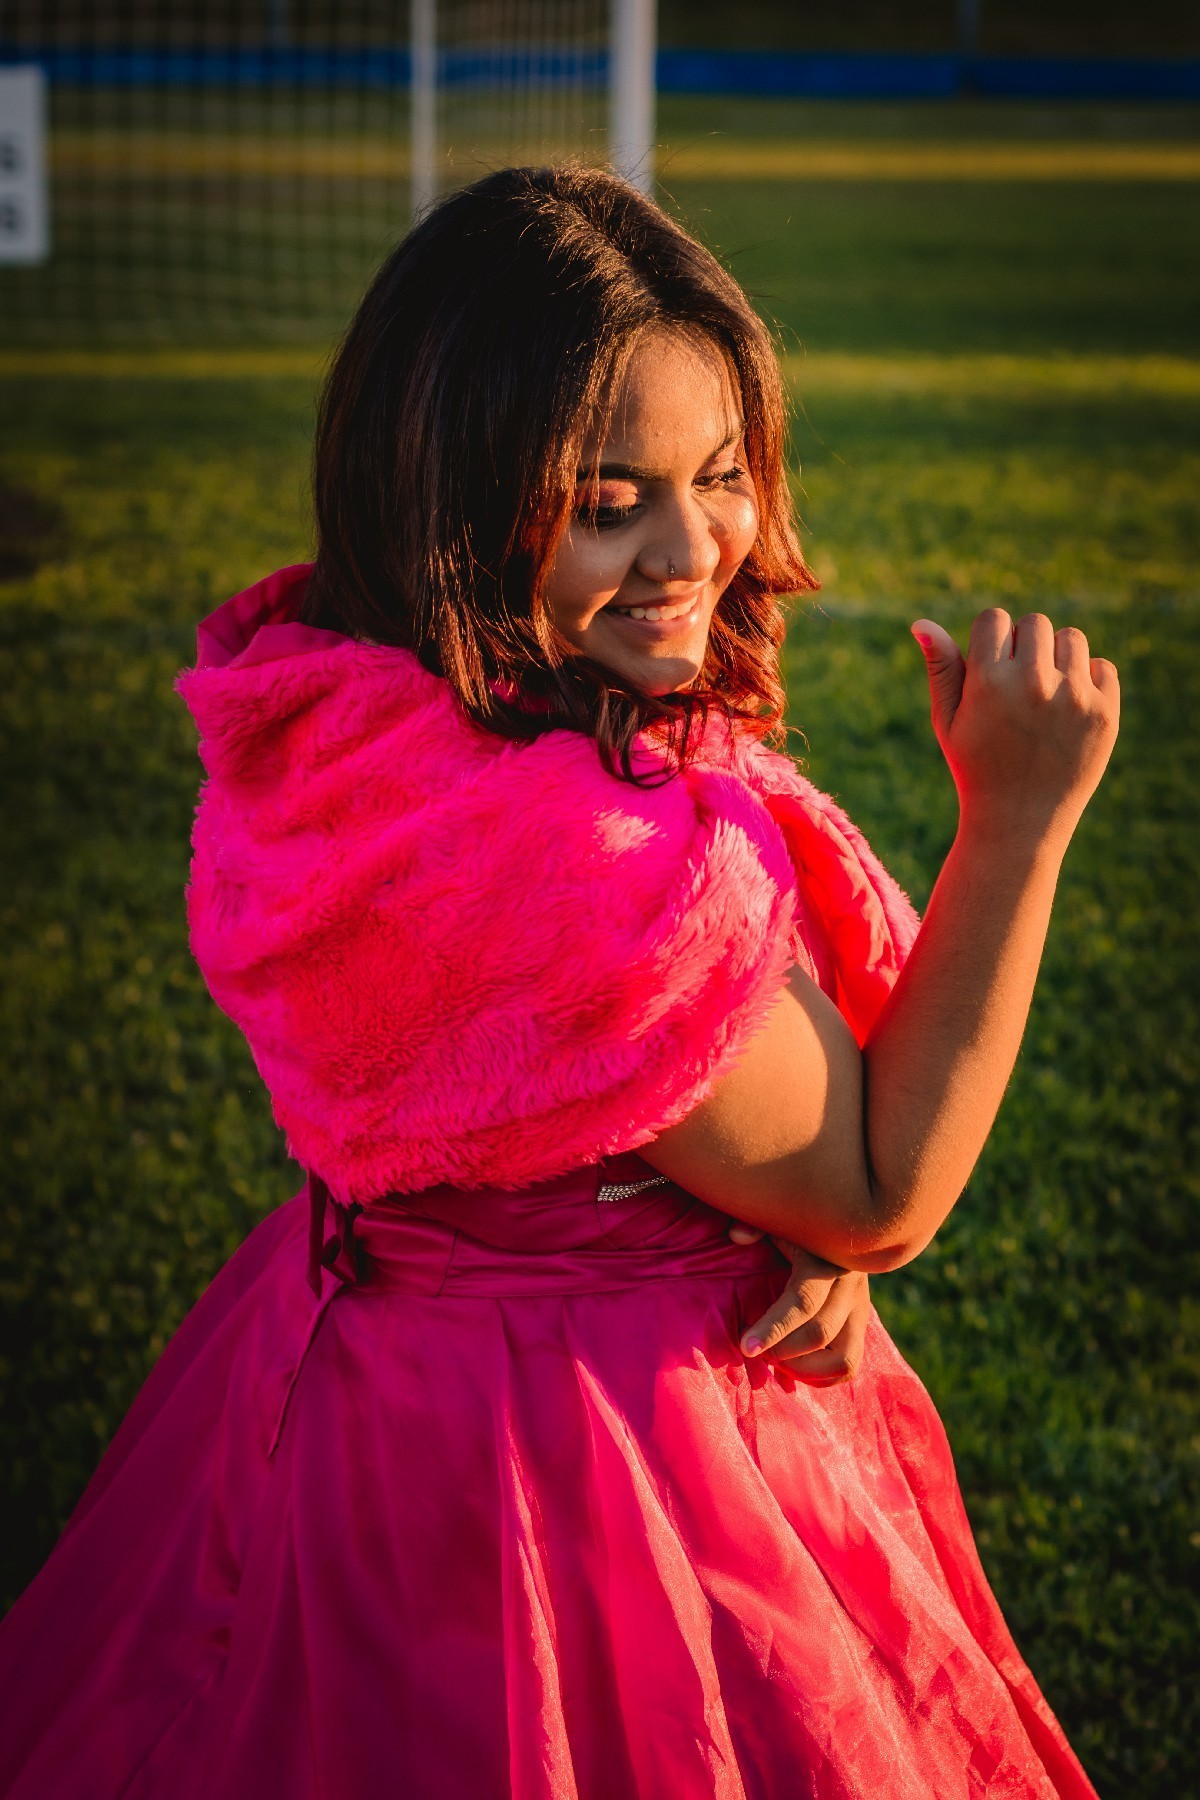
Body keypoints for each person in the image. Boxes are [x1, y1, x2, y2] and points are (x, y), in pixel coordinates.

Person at [0, 165, 1117, 1799]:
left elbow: (562, 1108)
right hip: (582, 1449)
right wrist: (1018, 819)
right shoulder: (577, 874)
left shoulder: (342, 722)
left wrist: (748, 1199)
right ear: (459, 497)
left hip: (348, 1378)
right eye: (608, 501)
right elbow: (882, 1186)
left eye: (722, 475)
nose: (695, 550)